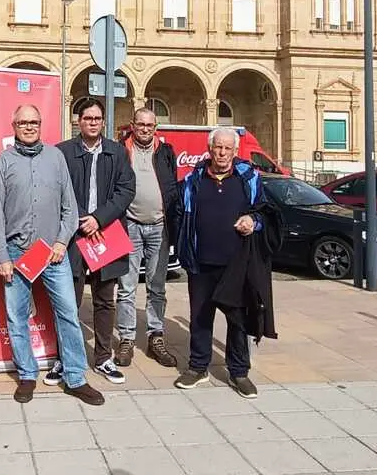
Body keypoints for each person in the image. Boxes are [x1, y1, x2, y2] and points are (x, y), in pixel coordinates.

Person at [0, 104, 104, 406]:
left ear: (41, 125)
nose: (29, 127)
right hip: (16, 252)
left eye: (34, 122)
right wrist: (2, 256)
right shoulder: (3, 162)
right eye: (23, 122)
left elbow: (70, 208)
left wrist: (62, 242)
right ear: (14, 126)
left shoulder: (56, 158)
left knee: (68, 313)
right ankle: (27, 374)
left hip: (53, 252)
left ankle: (75, 378)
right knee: (16, 317)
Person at [173, 127, 271, 399]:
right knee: (200, 317)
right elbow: (179, 215)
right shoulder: (192, 180)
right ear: (209, 149)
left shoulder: (249, 178)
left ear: (235, 151)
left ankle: (239, 372)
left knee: (237, 320)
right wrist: (182, 249)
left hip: (236, 264)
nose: (222, 153)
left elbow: (265, 213)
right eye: (218, 147)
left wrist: (254, 221)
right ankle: (198, 367)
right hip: (200, 263)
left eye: (228, 148)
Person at [46, 97, 135, 387]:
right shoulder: (62, 152)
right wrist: (83, 218)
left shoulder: (117, 152)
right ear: (78, 121)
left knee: (104, 299)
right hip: (72, 236)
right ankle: (64, 358)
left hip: (106, 233)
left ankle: (103, 358)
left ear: (103, 121)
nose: (93, 123)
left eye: (97, 118)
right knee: (67, 300)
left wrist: (99, 218)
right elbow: (57, 191)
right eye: (87, 118)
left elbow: (126, 189)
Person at [114, 107, 180, 369]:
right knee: (127, 287)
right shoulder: (121, 150)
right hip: (129, 225)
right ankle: (126, 339)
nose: (144, 129)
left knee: (157, 286)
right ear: (132, 125)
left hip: (159, 227)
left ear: (155, 128)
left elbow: (171, 186)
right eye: (140, 124)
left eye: (149, 125)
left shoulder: (166, 152)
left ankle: (156, 336)